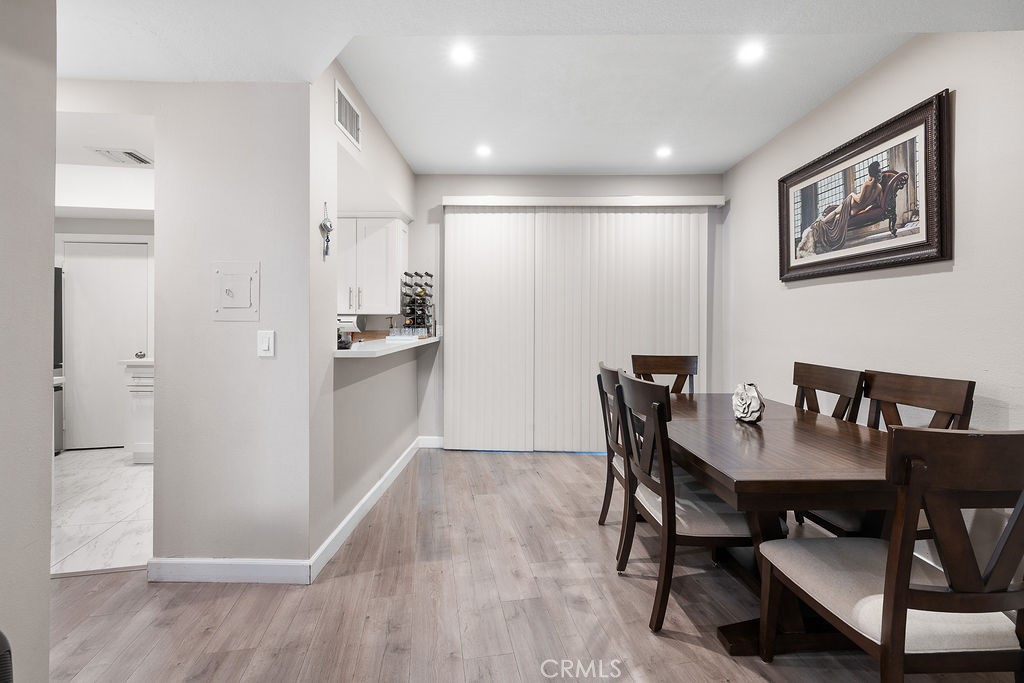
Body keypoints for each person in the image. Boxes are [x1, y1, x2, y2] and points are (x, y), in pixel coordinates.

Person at [797, 161, 883, 257]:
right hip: (855, 211)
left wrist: (852, 194)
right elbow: (875, 203)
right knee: (837, 217)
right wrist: (866, 208)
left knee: (835, 212)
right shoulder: (879, 187)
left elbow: (859, 200)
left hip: (851, 204)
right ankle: (821, 225)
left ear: (870, 172)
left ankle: (819, 224)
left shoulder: (867, 184)